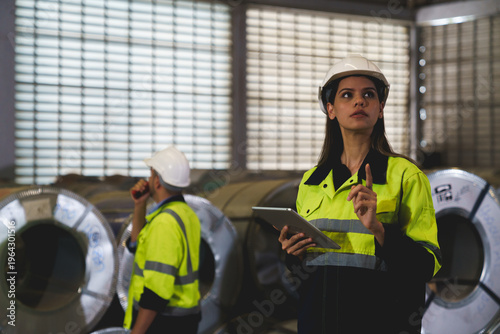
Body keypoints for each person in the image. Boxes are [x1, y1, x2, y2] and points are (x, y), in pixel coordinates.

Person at [278, 54, 441, 334]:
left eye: (368, 94)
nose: (359, 101)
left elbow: (426, 266)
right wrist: (293, 254)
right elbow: (311, 267)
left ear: (380, 109)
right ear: (331, 109)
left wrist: (380, 230)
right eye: (347, 95)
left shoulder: (405, 176)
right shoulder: (312, 181)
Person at [123, 146, 201, 334]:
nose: (148, 180)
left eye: (151, 175)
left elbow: (156, 292)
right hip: (182, 319)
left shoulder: (164, 223)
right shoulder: (186, 214)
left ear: (157, 181)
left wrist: (137, 332)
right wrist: (140, 205)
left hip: (163, 322)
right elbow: (135, 245)